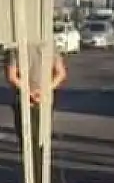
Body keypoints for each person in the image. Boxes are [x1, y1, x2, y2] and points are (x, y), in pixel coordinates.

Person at [5, 41, 67, 175]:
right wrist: (45, 90)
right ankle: (41, 182)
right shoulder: (49, 45)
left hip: (23, 101)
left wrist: (28, 91)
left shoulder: (17, 46)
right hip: (44, 102)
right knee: (41, 143)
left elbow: (11, 75)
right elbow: (61, 73)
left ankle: (30, 182)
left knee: (27, 144)